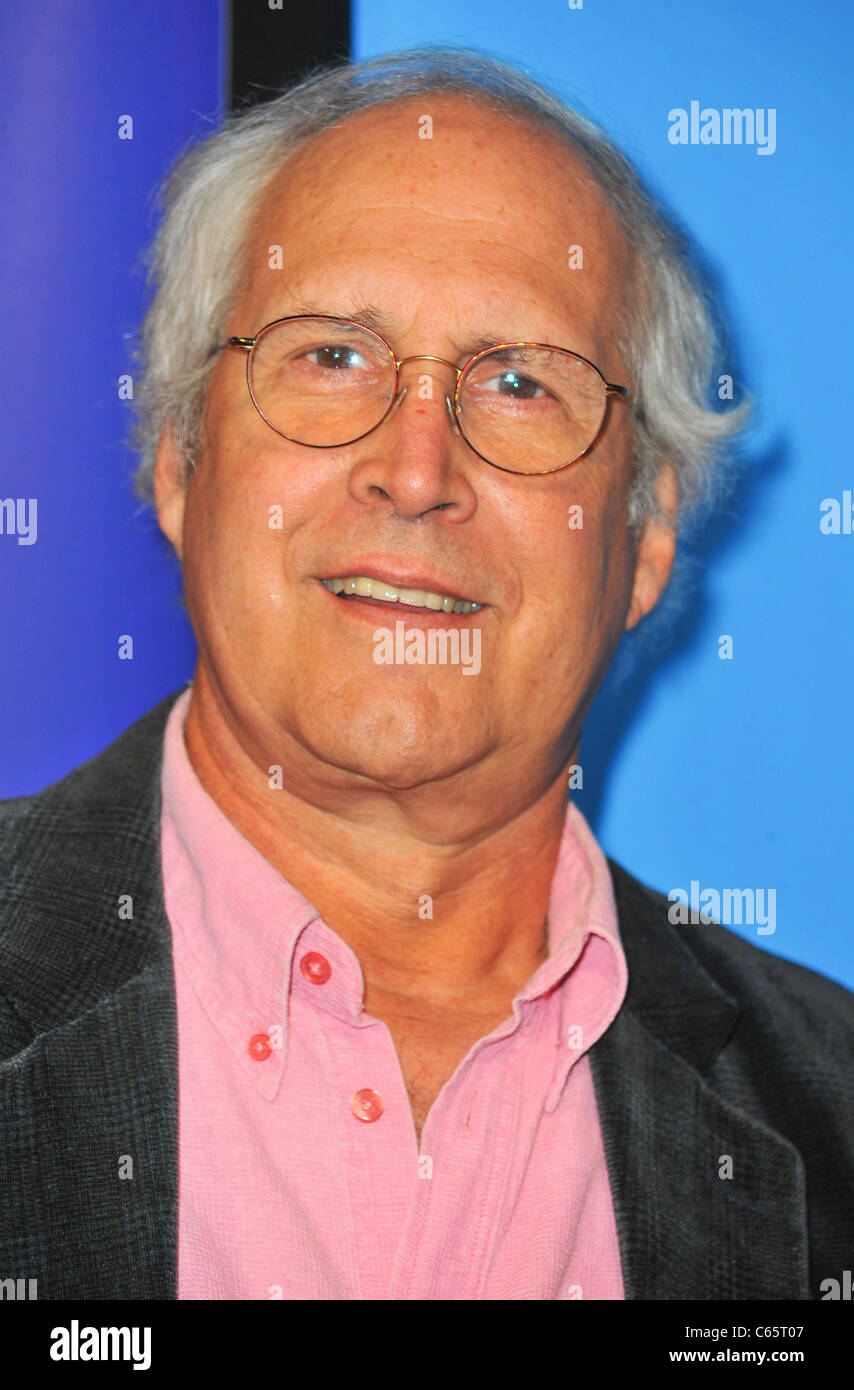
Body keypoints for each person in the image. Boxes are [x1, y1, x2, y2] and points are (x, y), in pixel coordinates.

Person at [1, 47, 851, 1302]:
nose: (414, 470)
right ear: (181, 459)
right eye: (329, 355)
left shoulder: (829, 1106)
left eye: (518, 382)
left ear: (642, 539)